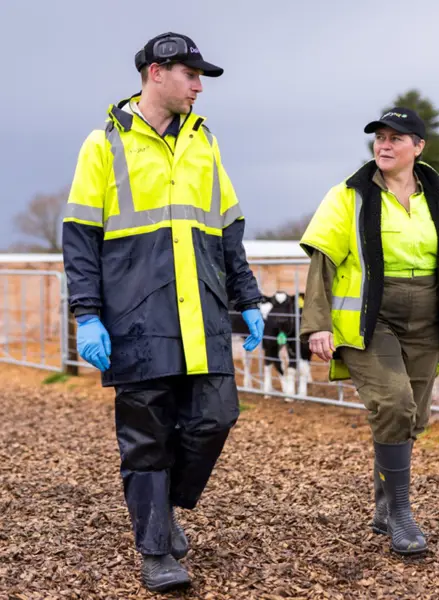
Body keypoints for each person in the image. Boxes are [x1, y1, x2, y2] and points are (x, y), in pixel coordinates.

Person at [62, 32, 264, 593]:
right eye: (191, 75)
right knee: (146, 434)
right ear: (157, 72)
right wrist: (86, 313)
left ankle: (162, 505)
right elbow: (80, 235)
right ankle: (155, 548)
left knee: (214, 417)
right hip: (135, 315)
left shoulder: (205, 143)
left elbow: (228, 230)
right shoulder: (102, 145)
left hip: (201, 309)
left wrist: (247, 298)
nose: (199, 87)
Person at [299, 108, 439, 556]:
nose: (384, 144)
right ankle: (400, 512)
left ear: (418, 148)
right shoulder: (349, 195)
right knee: (394, 404)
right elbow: (321, 260)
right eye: (380, 137)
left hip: (428, 319)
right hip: (369, 318)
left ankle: (383, 509)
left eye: (397, 138)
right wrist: (317, 324)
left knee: (412, 418)